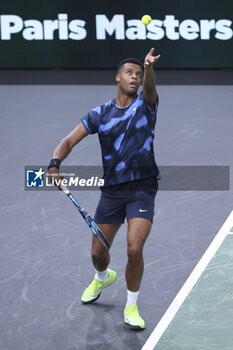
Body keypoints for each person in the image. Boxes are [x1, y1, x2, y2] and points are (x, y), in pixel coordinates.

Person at [48, 48, 160, 330]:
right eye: (129, 73)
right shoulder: (100, 114)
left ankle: (131, 306)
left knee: (134, 248)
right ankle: (102, 278)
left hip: (142, 189)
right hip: (112, 191)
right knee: (98, 254)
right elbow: (69, 140)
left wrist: (149, 69)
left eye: (138, 73)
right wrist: (54, 164)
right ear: (117, 77)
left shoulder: (146, 104)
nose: (135, 77)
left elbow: (149, 86)